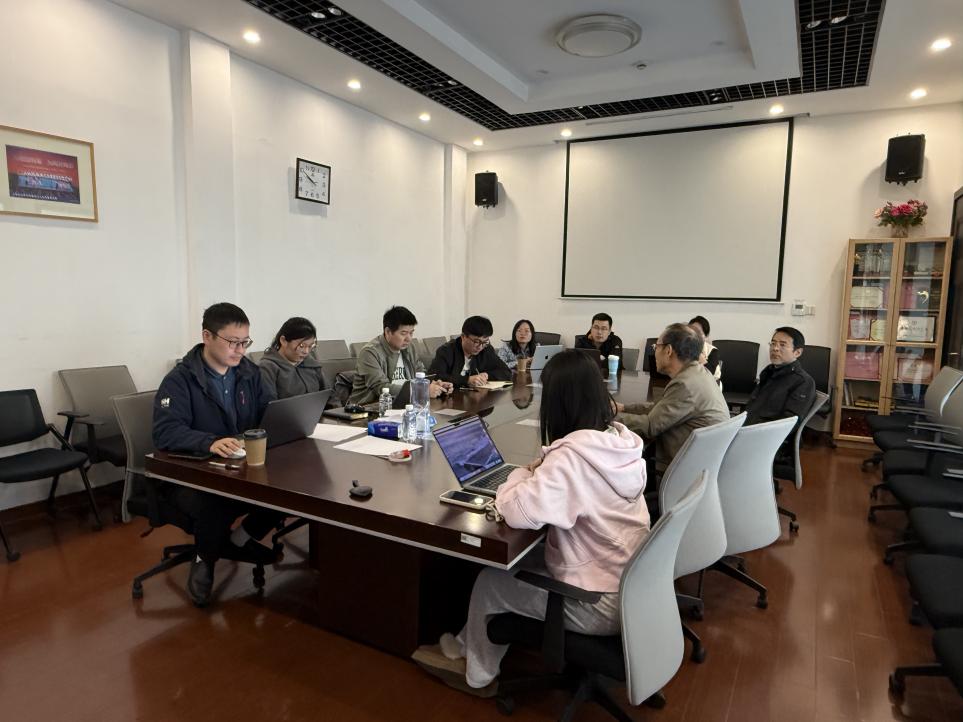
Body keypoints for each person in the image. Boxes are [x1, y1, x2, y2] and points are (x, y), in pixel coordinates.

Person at [416, 350, 649, 693]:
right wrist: (540, 472)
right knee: (525, 558)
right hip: (631, 584)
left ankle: (477, 674)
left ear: (558, 403)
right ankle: (467, 644)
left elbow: (516, 511)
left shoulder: (572, 460)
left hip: (598, 603)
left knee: (490, 581)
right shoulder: (618, 441)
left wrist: (520, 475)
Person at [153, 302, 285, 607]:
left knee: (290, 487)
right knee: (216, 501)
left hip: (239, 465)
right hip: (191, 473)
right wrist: (209, 442)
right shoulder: (180, 380)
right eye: (233, 342)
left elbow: (268, 412)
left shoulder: (249, 373)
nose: (240, 350)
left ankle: (238, 540)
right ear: (207, 336)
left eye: (245, 342)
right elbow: (165, 432)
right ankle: (205, 559)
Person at [616, 323, 729, 474]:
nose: (654, 352)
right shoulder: (699, 373)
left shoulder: (685, 384)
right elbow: (662, 409)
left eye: (656, 347)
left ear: (668, 351)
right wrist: (623, 408)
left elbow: (650, 426)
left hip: (685, 471)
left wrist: (606, 417)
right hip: (704, 465)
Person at [349, 305, 451, 404]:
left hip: (403, 404)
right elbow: (381, 388)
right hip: (368, 408)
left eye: (411, 333)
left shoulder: (409, 348)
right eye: (403, 333)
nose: (409, 339)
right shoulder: (369, 353)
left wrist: (436, 385)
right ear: (388, 332)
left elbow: (421, 374)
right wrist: (421, 391)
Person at [745, 327, 816, 462]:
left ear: (797, 352)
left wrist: (748, 435)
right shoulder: (769, 372)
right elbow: (753, 408)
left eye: (782, 345)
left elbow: (788, 423)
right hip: (749, 432)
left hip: (772, 443)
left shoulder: (803, 382)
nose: (775, 348)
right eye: (773, 343)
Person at [429, 316, 512, 387]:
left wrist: (487, 375)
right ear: (463, 336)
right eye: (476, 341)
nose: (480, 347)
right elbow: (435, 376)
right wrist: (467, 380)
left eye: (485, 342)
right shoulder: (446, 351)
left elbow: (506, 372)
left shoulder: (486, 349)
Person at [258, 317, 326, 399]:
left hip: (319, 408)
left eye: (310, 346)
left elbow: (330, 396)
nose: (306, 351)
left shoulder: (311, 363)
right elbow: (268, 404)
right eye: (302, 346)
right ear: (283, 340)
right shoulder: (267, 368)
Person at [689, 315, 721, 384]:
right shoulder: (683, 347)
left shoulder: (712, 351)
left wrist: (699, 356)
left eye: (699, 333)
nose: (694, 336)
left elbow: (710, 373)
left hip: (711, 383)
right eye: (692, 332)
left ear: (706, 336)